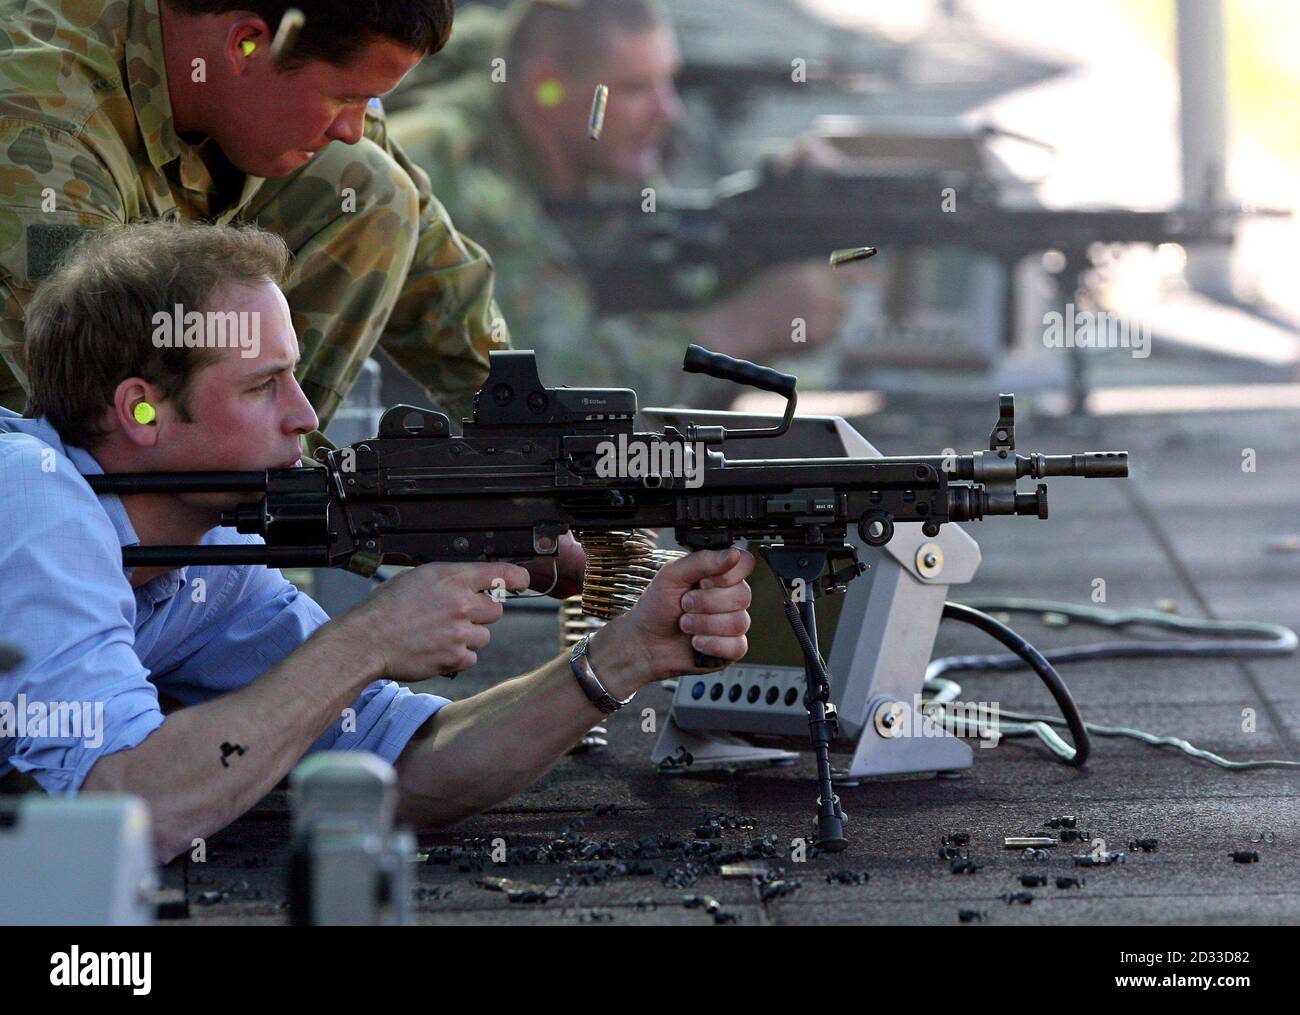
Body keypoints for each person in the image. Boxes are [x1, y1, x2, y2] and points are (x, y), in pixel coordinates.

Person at [0, 221, 755, 861]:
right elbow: (126, 814)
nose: (304, 415)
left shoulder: (204, 550)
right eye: (263, 386)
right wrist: (368, 638)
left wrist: (626, 654)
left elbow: (402, 769)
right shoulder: (34, 498)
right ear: (140, 411)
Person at [0, 0, 505, 432]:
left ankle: (275, 505)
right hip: (40, 463)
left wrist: (526, 417)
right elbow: (108, 409)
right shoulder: (44, 128)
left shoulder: (294, 61)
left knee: (371, 186)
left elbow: (439, 278)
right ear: (246, 44)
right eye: (344, 98)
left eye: (367, 101)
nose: (353, 127)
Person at [388, 0, 848, 409]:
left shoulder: (603, 160)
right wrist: (740, 328)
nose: (668, 111)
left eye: (667, 82)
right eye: (634, 89)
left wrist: (774, 220)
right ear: (547, 87)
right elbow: (549, 390)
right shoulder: (448, 177)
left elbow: (675, 278)